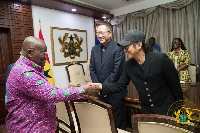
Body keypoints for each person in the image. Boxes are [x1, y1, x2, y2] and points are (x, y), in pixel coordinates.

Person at [5, 36, 99, 133]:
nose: (45, 56)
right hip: (30, 128)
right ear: (30, 52)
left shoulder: (24, 66)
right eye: (42, 52)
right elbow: (52, 94)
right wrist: (83, 90)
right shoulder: (25, 73)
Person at [93, 30, 183, 116]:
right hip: (146, 111)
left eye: (127, 47)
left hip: (167, 110)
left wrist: (179, 109)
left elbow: (175, 86)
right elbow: (120, 85)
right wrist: (101, 86)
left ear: (139, 44)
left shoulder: (161, 59)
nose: (125, 50)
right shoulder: (128, 65)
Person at [90, 21, 127, 129]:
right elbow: (92, 69)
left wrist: (104, 88)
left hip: (115, 94)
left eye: (102, 32)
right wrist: (98, 88)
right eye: (97, 33)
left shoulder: (118, 48)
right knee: (104, 122)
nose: (99, 35)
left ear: (110, 33)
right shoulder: (94, 49)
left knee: (117, 124)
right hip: (100, 94)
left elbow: (116, 72)